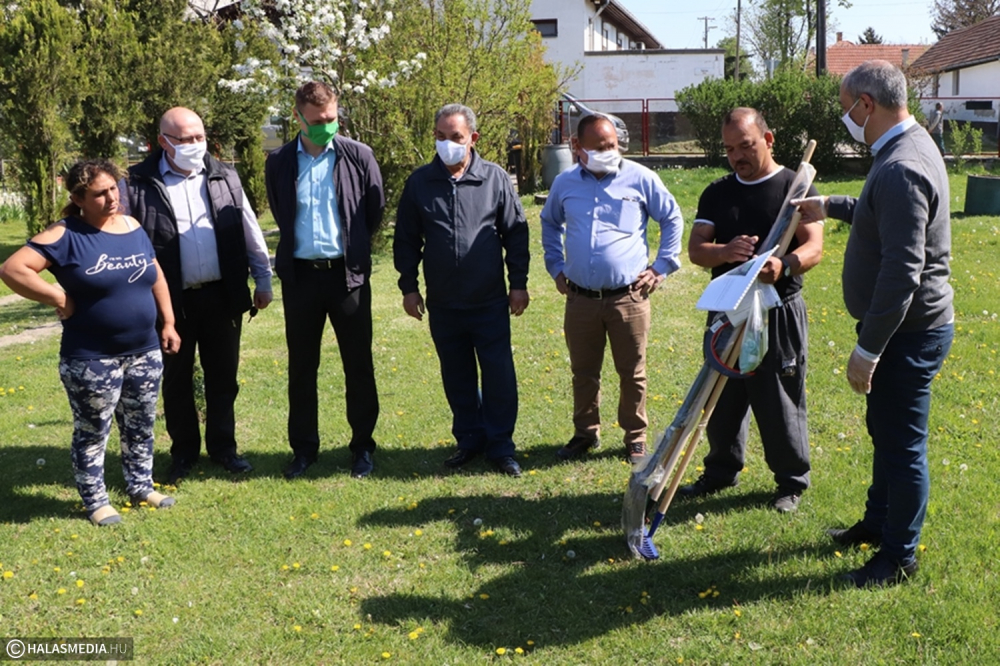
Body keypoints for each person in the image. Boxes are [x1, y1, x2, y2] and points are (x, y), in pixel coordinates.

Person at [793, 60, 954, 588]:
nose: (847, 120)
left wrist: (869, 348)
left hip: (907, 334)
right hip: (904, 332)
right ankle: (878, 523)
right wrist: (829, 204)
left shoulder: (902, 165)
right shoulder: (905, 149)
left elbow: (901, 273)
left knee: (902, 444)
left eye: (846, 110)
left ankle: (899, 557)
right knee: (885, 432)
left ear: (866, 104)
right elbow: (879, 207)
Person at [0, 160, 181, 526]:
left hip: (144, 350)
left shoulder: (131, 226)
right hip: (92, 358)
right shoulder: (65, 234)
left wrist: (169, 321)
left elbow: (155, 272)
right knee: (93, 430)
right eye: (100, 193)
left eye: (114, 188)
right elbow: (13, 269)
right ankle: (95, 500)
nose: (112, 197)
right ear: (78, 197)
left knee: (141, 423)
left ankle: (141, 485)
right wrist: (58, 298)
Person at [679, 108, 823, 513]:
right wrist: (723, 251)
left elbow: (813, 246)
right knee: (721, 394)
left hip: (777, 310)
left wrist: (784, 265)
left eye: (746, 146)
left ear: (768, 139)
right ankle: (721, 470)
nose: (737, 156)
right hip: (728, 309)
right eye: (729, 149)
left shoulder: (795, 188)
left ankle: (791, 481)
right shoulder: (717, 192)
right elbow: (696, 250)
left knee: (779, 394)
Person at [125, 107, 273, 485]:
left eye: (199, 137)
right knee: (176, 381)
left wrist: (263, 279)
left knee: (223, 377)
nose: (195, 145)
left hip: (221, 296)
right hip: (169, 302)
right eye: (184, 139)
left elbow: (249, 229)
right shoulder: (138, 183)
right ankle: (184, 453)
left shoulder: (224, 175)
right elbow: (126, 239)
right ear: (163, 142)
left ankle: (225, 449)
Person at [394, 104, 530, 477]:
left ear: (473, 138)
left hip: (488, 300)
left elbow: (515, 235)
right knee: (457, 375)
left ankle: (501, 446)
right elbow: (406, 240)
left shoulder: (495, 179)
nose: (447, 144)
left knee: (498, 374)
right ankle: (469, 440)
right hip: (443, 303)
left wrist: (518, 284)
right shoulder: (420, 183)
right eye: (440, 137)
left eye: (455, 137)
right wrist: (409, 287)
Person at [541, 114, 684, 464]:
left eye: (613, 145)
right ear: (577, 147)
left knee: (632, 372)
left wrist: (661, 267)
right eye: (600, 147)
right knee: (583, 372)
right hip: (580, 299)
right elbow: (549, 222)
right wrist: (555, 267)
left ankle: (635, 437)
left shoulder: (641, 178)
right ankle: (585, 433)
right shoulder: (564, 183)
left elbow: (672, 217)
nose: (610, 152)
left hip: (628, 297)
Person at [265, 80, 385, 480]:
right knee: (301, 368)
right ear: (298, 117)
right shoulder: (279, 161)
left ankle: (363, 448)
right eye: (317, 121)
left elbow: (373, 212)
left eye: (332, 118)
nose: (326, 126)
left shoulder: (358, 156)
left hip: (346, 277)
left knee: (358, 365)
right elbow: (281, 213)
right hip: (301, 279)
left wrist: (353, 251)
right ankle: (303, 450)